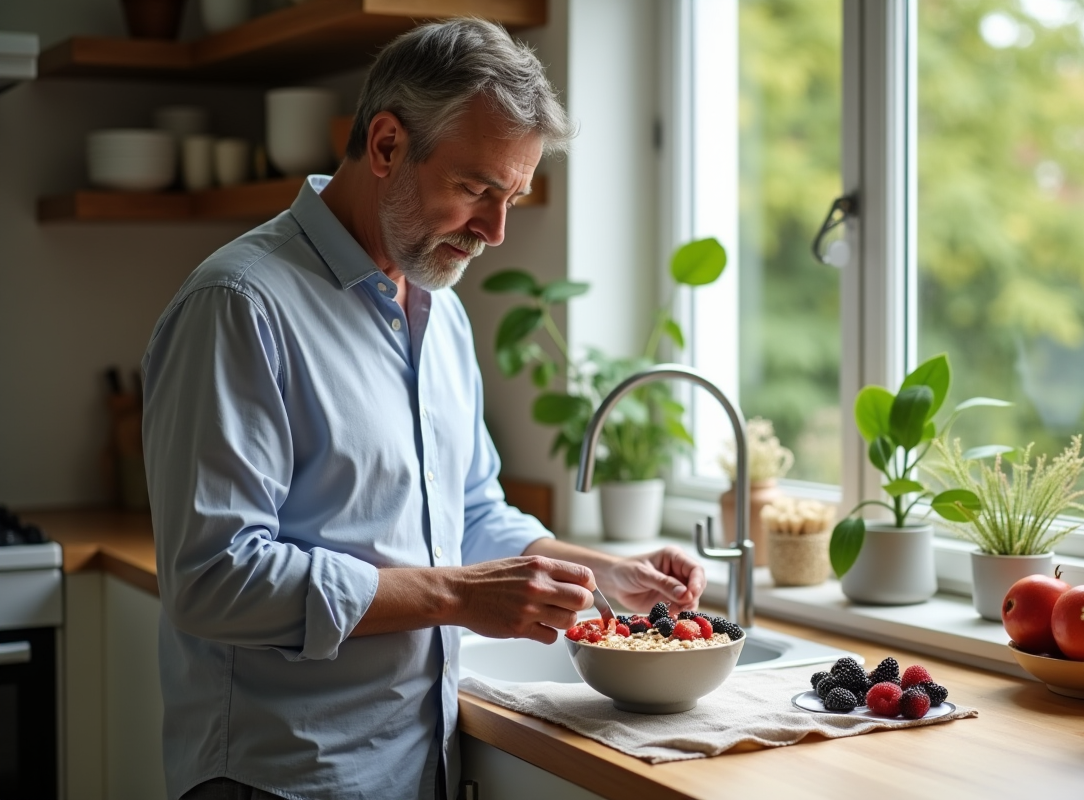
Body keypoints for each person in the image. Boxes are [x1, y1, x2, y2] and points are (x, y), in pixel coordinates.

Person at [141, 17, 707, 800]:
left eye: (511, 196)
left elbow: (469, 510)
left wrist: (603, 572)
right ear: (384, 146)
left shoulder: (438, 309)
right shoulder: (239, 306)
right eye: (476, 189)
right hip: (284, 777)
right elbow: (213, 577)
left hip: (417, 762)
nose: (496, 231)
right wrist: (458, 595)